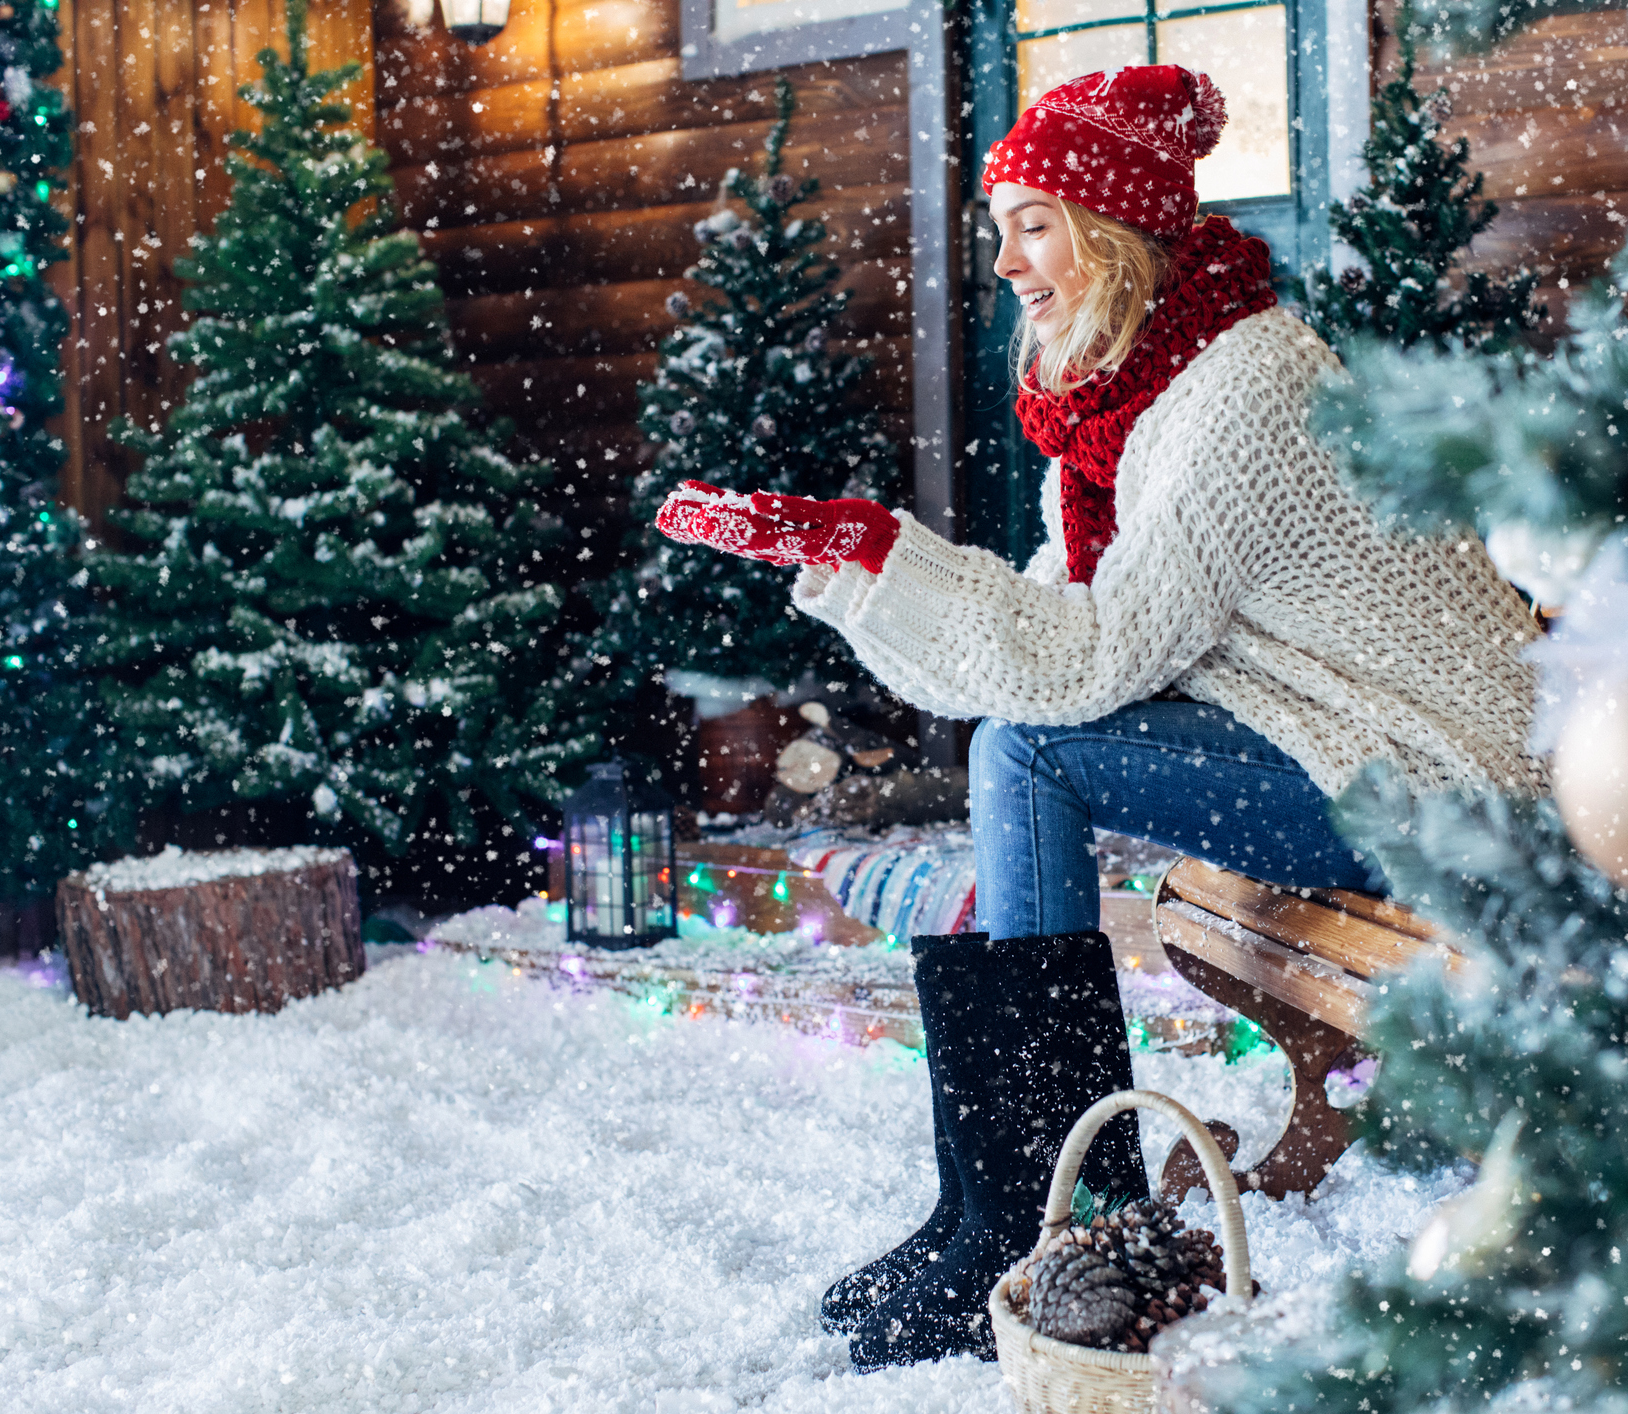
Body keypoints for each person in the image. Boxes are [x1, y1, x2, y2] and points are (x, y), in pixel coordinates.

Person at [653, 64, 1544, 1368]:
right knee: (1022, 746)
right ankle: (1004, 1207)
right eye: (998, 229)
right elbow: (1048, 634)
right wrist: (856, 562)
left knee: (1030, 754)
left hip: (1438, 784)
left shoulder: (1240, 393)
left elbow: (1090, 660)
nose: (1007, 261)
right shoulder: (1138, 404)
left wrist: (878, 556)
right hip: (1338, 748)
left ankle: (1048, 1209)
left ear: (1114, 231)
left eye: (1035, 225)